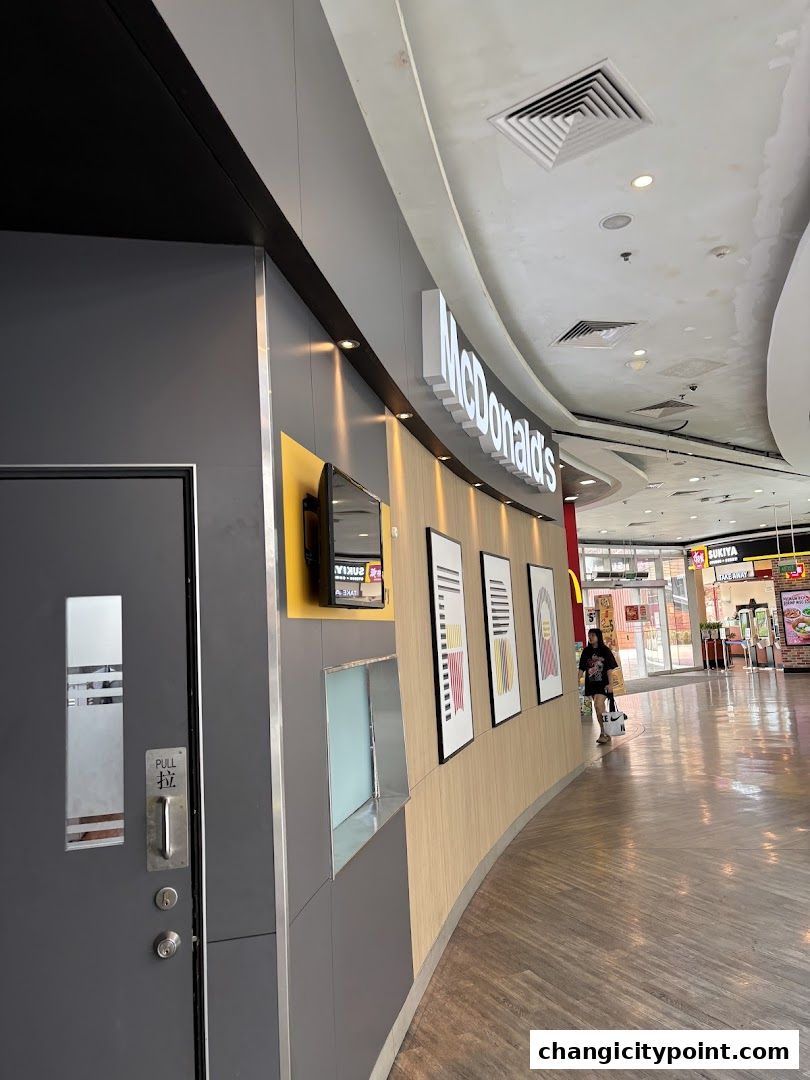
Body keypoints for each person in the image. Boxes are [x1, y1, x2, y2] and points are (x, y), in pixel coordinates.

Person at [578, 627, 619, 745]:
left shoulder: (605, 650)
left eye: (592, 635)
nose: (590, 637)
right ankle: (606, 731)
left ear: (598, 637)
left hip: (603, 684)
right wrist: (577, 679)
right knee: (599, 709)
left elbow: (609, 669)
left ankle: (603, 733)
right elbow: (581, 668)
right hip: (591, 684)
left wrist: (611, 684)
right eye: (589, 635)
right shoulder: (586, 651)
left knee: (597, 704)